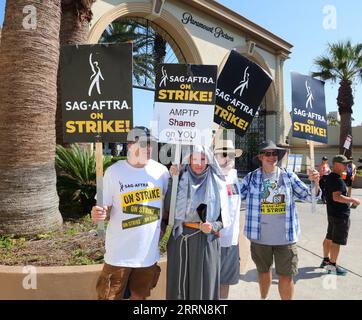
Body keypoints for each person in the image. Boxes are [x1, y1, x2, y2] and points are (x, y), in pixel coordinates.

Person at [91, 127, 170, 300]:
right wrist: (97, 214)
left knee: (139, 296)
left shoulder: (161, 172)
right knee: (109, 296)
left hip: (147, 255)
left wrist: (162, 227)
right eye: (142, 144)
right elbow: (103, 208)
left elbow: (166, 208)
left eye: (150, 144)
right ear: (129, 146)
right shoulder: (114, 172)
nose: (148, 148)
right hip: (119, 254)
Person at [238, 140, 320, 300]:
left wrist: (315, 182)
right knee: (263, 272)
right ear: (261, 157)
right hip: (259, 237)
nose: (272, 157)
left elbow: (310, 196)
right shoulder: (251, 178)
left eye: (274, 153)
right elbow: (235, 197)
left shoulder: (288, 176)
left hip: (286, 238)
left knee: (287, 276)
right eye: (267, 153)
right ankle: (264, 298)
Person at [166, 145, 230, 300]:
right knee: (179, 286)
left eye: (203, 159)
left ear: (209, 160)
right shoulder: (180, 178)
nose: (199, 163)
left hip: (205, 240)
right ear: (188, 159)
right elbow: (168, 207)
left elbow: (224, 217)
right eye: (194, 159)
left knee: (202, 289)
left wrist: (213, 226)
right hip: (180, 238)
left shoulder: (218, 181)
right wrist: (172, 179)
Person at [320, 155, 360, 275]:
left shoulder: (331, 177)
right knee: (336, 241)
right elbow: (336, 197)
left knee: (329, 237)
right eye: (345, 164)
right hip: (339, 215)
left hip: (332, 213)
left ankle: (325, 260)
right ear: (337, 164)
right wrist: (353, 200)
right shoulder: (336, 179)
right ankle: (332, 266)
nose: (347, 166)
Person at [213, 136, 242, 299]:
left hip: (231, 241)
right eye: (224, 154)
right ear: (215, 157)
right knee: (210, 282)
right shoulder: (208, 176)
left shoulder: (235, 176)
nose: (228, 158)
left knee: (225, 282)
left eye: (231, 155)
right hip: (211, 241)